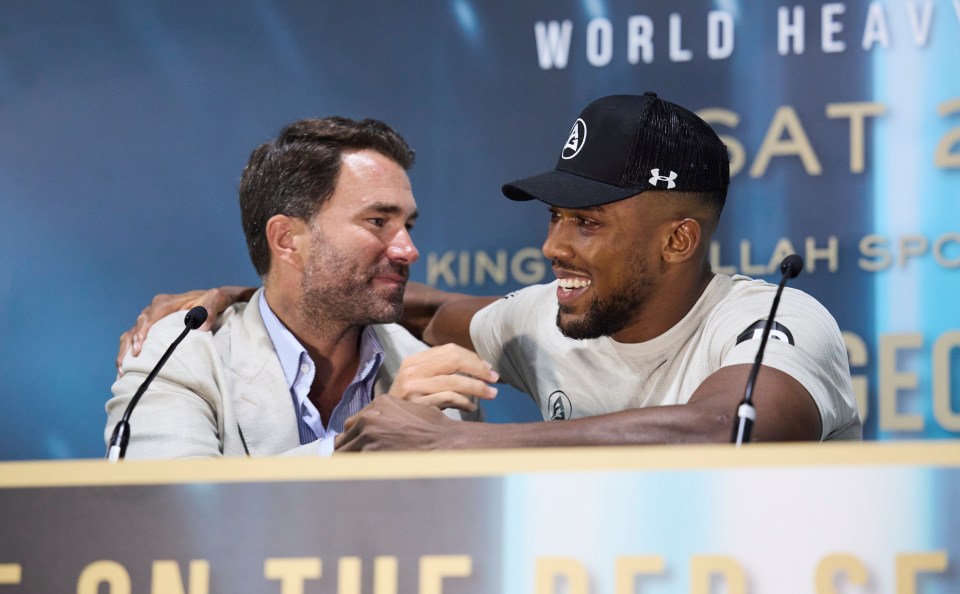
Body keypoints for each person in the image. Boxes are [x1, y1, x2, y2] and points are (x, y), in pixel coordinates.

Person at [119, 93, 862, 452]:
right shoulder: (540, 321)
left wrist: (458, 444)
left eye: (588, 222)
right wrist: (249, 292)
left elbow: (727, 429)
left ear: (678, 241)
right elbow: (401, 301)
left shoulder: (774, 322)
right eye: (555, 217)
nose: (553, 246)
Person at [107, 117, 497, 458]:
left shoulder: (438, 378)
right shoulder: (178, 355)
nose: (409, 250)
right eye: (378, 221)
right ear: (287, 240)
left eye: (407, 226)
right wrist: (362, 444)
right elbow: (173, 514)